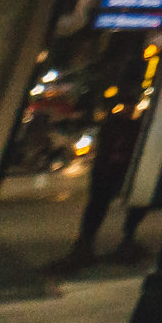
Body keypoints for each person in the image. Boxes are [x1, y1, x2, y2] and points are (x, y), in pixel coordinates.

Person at [56, 102, 140, 269]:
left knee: (100, 205)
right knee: (98, 205)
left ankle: (91, 242)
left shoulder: (127, 127)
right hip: (108, 171)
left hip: (112, 171)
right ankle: (87, 242)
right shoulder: (117, 126)